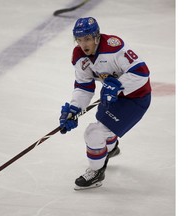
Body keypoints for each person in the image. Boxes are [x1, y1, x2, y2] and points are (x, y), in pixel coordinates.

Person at [59, 17, 151, 190]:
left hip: (135, 98)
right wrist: (74, 109)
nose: (83, 44)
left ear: (96, 37)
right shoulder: (79, 56)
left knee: (93, 133)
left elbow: (142, 73)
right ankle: (111, 147)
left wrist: (118, 86)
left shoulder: (113, 47)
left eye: (86, 39)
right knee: (104, 128)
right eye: (79, 40)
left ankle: (97, 172)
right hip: (112, 95)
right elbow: (84, 86)